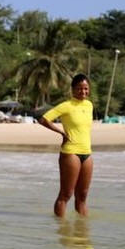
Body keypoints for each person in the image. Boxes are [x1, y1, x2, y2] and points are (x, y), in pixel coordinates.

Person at [38, 73, 93, 217]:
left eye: (86, 88)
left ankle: (82, 227)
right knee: (66, 194)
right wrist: (61, 133)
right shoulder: (66, 106)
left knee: (82, 195)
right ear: (73, 89)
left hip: (87, 153)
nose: (83, 91)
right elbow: (43, 119)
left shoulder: (89, 105)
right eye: (79, 88)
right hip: (70, 153)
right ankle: (61, 227)